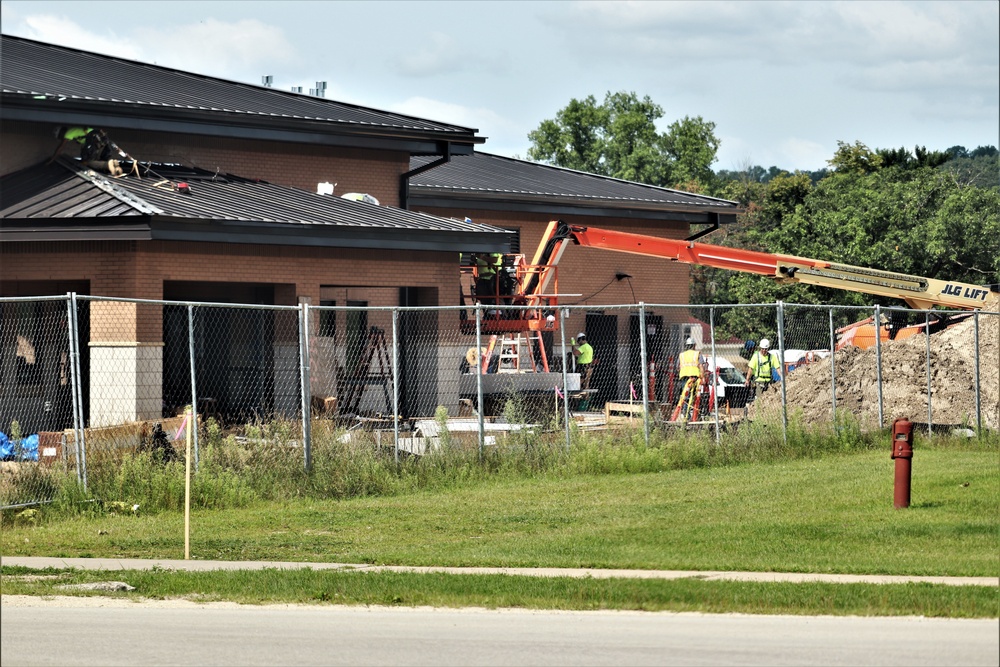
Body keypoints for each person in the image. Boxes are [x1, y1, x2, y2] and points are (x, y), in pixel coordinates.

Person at [675, 337, 707, 419]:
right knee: (694, 396)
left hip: (684, 378)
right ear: (694, 345)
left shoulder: (682, 355)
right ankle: (694, 414)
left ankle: (685, 413)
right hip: (694, 378)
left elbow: (677, 367)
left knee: (685, 395)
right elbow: (701, 366)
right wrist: (703, 378)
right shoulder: (697, 354)